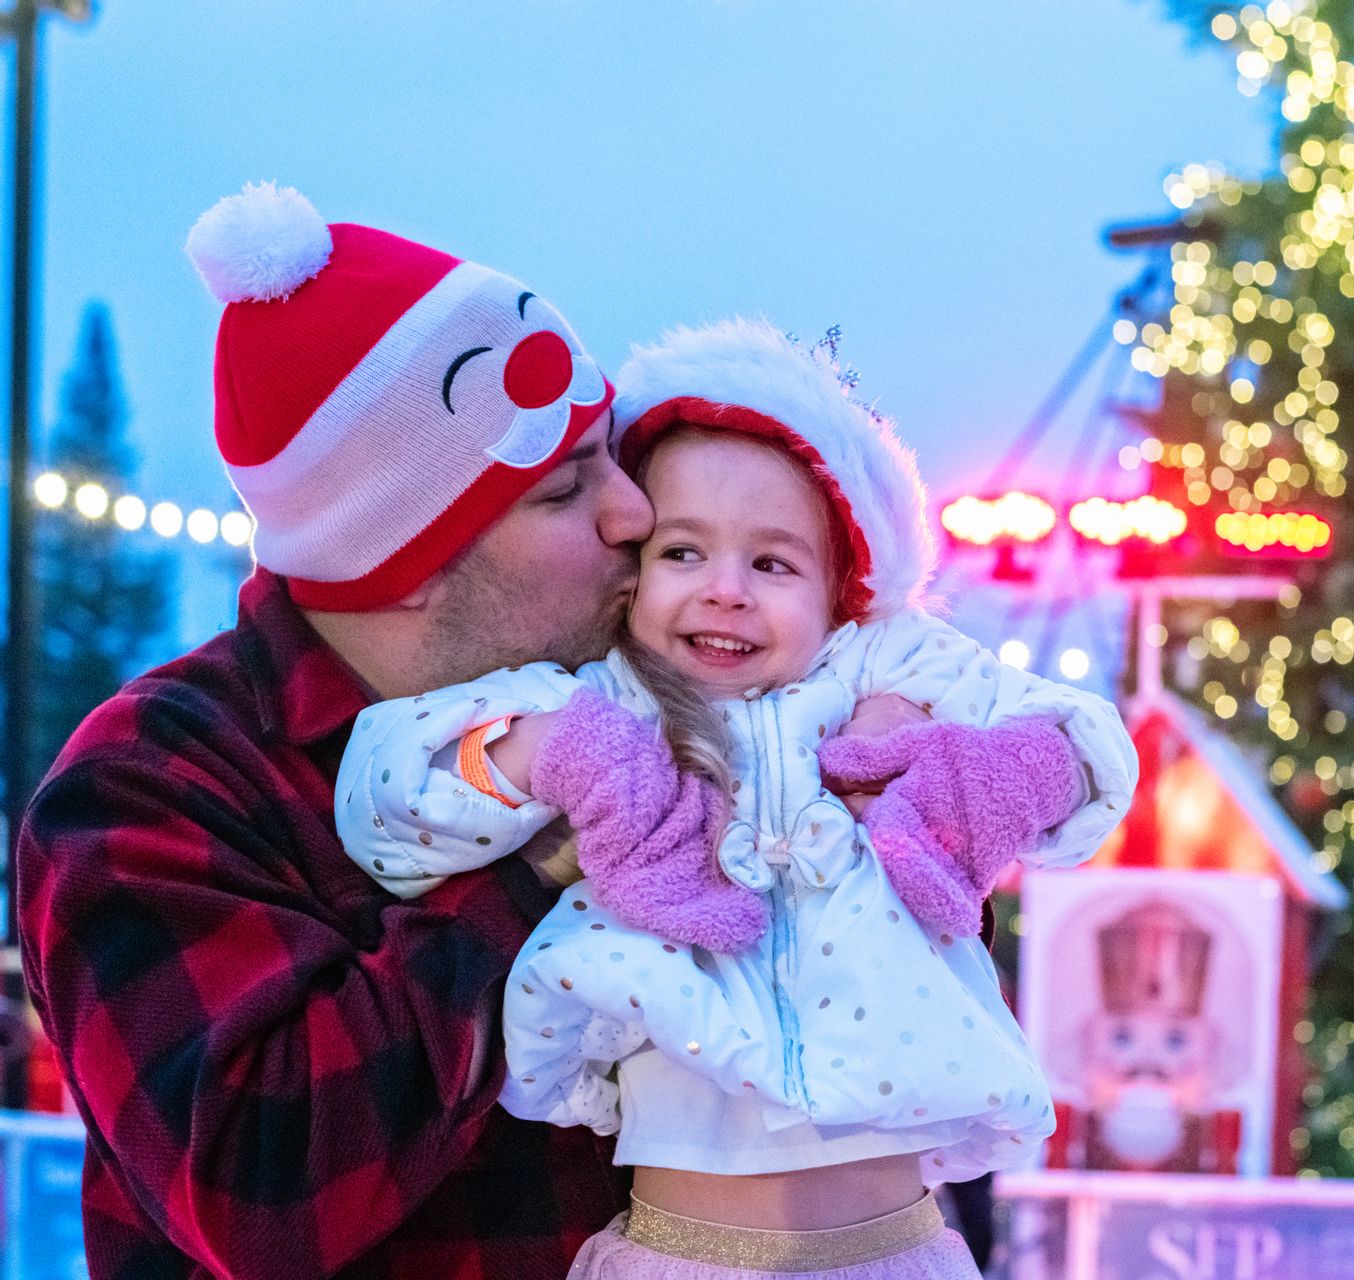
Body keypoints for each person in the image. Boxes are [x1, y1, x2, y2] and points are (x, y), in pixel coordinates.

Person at [13, 183, 888, 1279]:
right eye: (568, 486)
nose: (635, 513)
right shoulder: (155, 783)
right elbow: (262, 1178)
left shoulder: (648, 692)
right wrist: (545, 860)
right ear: (414, 562)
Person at [336, 318, 1139, 1279]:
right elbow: (386, 794)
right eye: (683, 553)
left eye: (772, 563)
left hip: (896, 1250)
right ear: (632, 572)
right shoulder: (598, 697)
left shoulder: (886, 669)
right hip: (682, 1250)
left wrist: (966, 777)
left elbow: (1083, 745)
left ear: (843, 588)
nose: (725, 591)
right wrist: (553, 754)